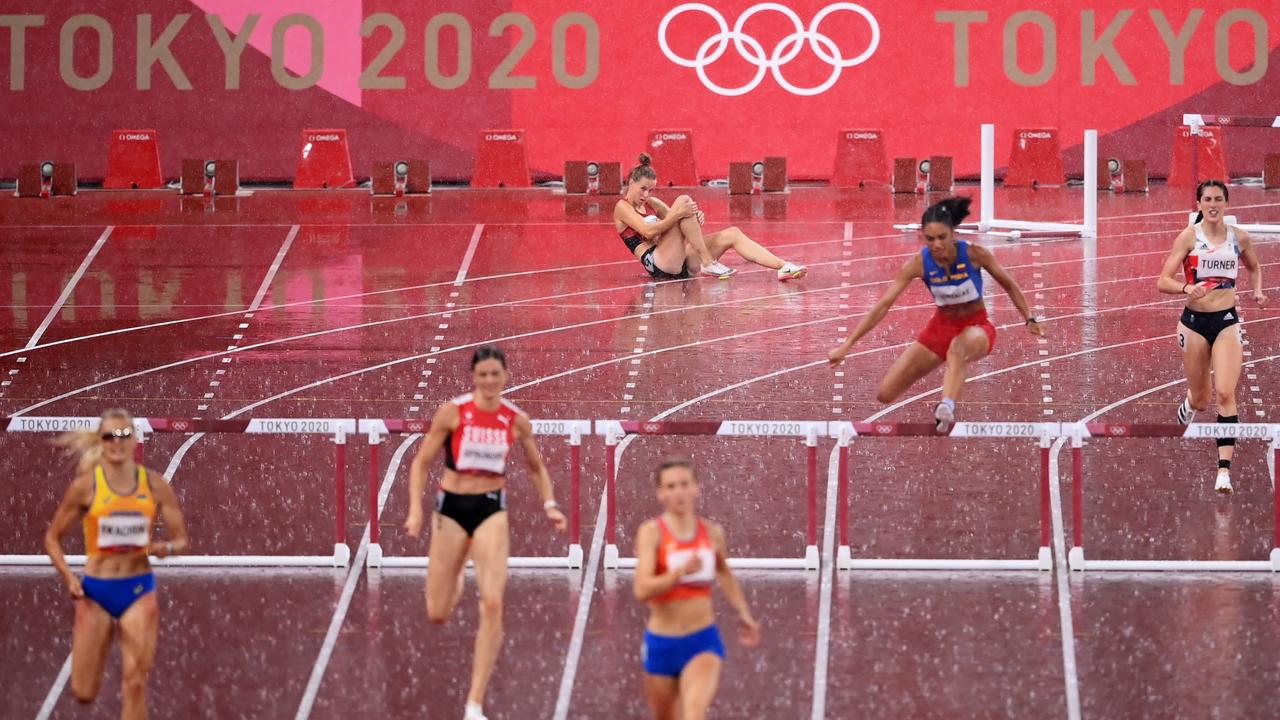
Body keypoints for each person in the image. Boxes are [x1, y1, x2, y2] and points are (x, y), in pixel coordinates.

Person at [404, 346, 567, 720]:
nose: (490, 381)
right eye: (483, 375)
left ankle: (474, 703)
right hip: (451, 508)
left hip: (491, 507)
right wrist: (415, 510)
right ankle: (458, 570)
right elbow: (420, 463)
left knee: (493, 603)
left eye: (496, 375)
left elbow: (536, 467)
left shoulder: (515, 419)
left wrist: (549, 504)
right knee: (437, 612)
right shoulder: (453, 412)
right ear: (474, 378)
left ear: (506, 376)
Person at [827, 196, 1044, 432]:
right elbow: (883, 305)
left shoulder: (975, 255)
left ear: (953, 233)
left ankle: (947, 407)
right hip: (939, 329)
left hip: (977, 328)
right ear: (923, 236)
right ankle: (952, 368)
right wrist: (847, 345)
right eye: (930, 239)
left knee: (959, 348)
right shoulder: (918, 264)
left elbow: (1010, 285)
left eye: (942, 237)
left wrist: (1029, 318)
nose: (937, 245)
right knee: (885, 394)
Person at [43, 408, 189, 720]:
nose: (118, 442)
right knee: (83, 691)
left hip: (137, 589)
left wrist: (166, 548)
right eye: (110, 436)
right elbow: (52, 539)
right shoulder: (86, 488)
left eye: (124, 435)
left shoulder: (156, 486)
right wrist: (68, 578)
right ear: (101, 441)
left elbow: (182, 541)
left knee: (135, 682)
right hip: (95, 592)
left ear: (135, 439)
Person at [1157, 179, 1267, 494]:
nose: (1214, 204)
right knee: (1204, 399)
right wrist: (1185, 287)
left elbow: (1255, 268)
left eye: (1219, 199)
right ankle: (1191, 401)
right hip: (1193, 323)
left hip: (1227, 321)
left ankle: (1223, 472)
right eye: (1208, 199)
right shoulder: (1189, 238)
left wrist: (1258, 290)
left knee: (1225, 394)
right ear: (1199, 204)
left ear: (1227, 204)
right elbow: (1162, 280)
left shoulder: (1240, 238)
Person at [633, 457, 760, 720]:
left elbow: (724, 572)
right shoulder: (652, 533)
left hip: (702, 641)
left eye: (684, 484)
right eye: (670, 486)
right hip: (662, 643)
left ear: (696, 488)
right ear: (660, 493)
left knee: (693, 714)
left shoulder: (712, 533)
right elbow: (642, 589)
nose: (678, 492)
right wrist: (679, 573)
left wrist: (743, 612)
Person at [614, 153, 807, 282]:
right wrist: (680, 214)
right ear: (631, 182)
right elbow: (648, 230)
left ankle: (784, 267)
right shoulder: (622, 207)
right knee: (683, 200)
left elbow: (678, 221)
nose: (647, 194)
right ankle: (707, 263)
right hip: (659, 264)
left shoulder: (651, 203)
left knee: (732, 233)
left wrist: (692, 218)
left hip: (679, 259)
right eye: (643, 189)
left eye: (651, 190)